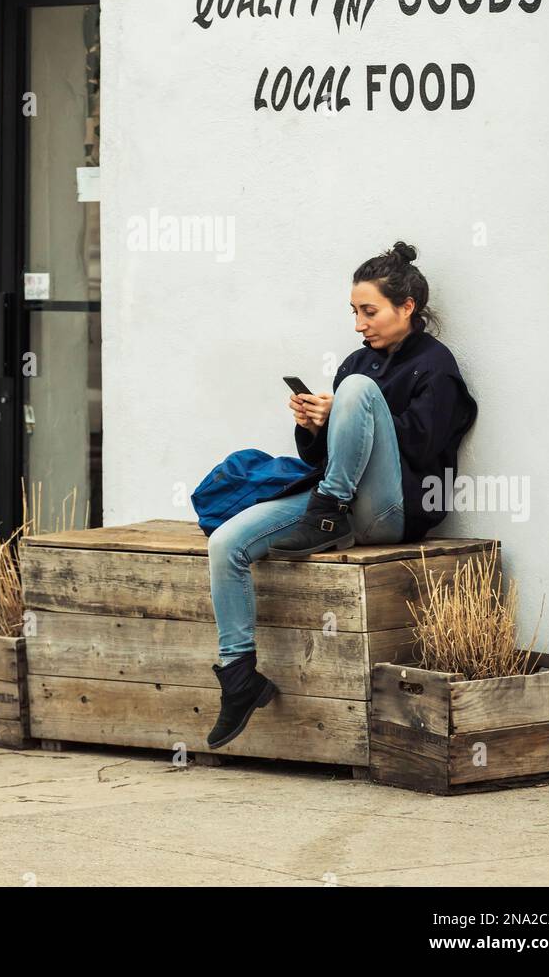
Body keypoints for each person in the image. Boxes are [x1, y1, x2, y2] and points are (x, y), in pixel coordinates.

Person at [204, 241, 478, 750]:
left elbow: (424, 447)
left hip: (395, 511)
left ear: (407, 307)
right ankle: (240, 676)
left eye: (369, 311)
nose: (359, 324)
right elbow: (321, 460)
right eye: (354, 312)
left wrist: (349, 410)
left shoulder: (437, 367)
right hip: (338, 502)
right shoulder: (359, 361)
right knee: (226, 542)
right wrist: (313, 426)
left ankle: (325, 513)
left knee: (353, 390)